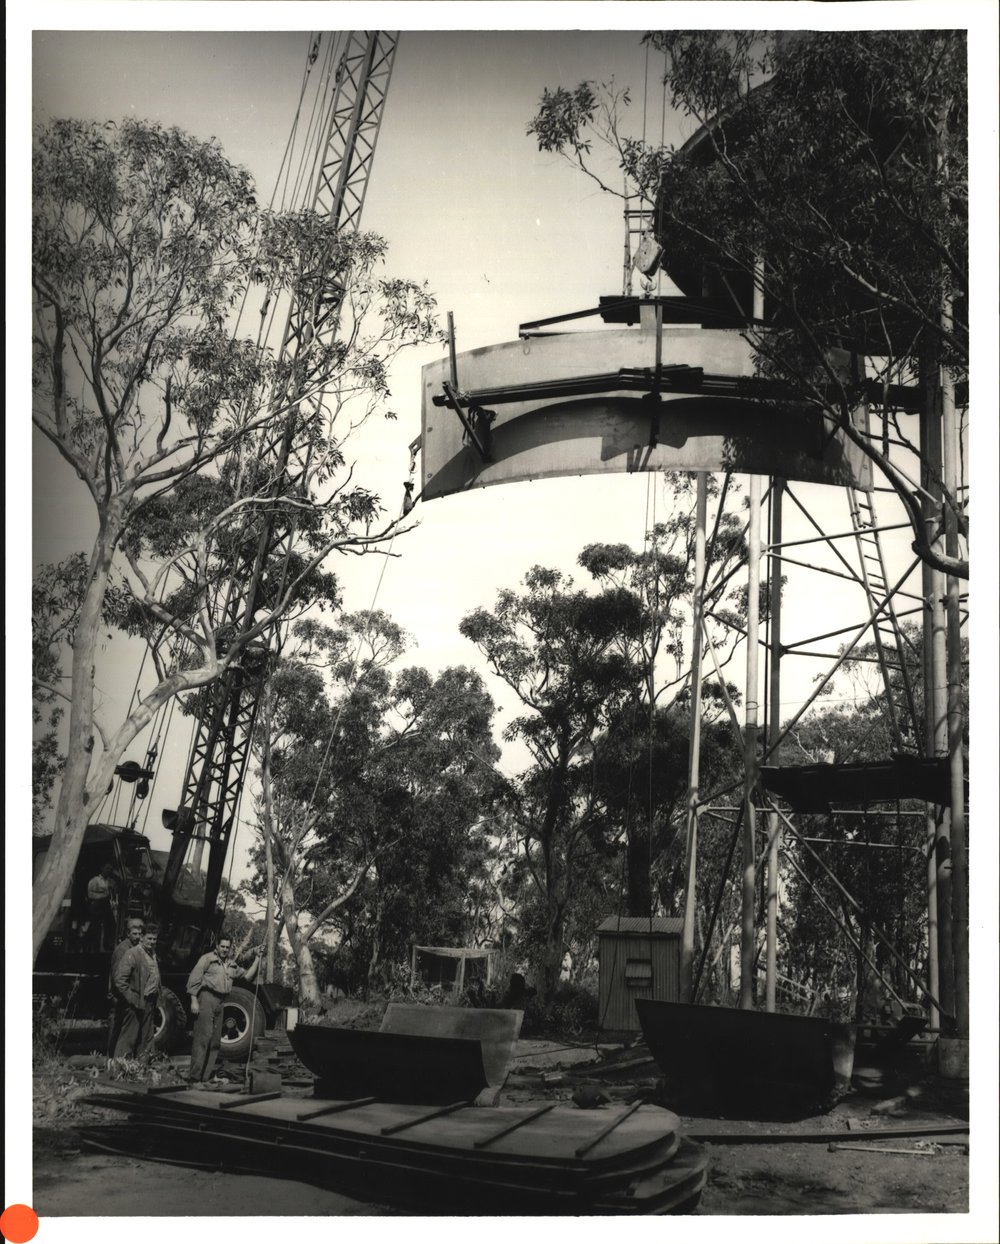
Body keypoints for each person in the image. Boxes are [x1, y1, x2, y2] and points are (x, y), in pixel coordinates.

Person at [186, 936, 254, 1085]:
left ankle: (205, 1077)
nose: (224, 949)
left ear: (230, 949)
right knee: (203, 1038)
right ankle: (194, 1077)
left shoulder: (231, 965)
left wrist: (258, 960)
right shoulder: (207, 959)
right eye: (222, 946)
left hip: (221, 1002)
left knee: (215, 1041)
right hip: (206, 998)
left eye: (227, 947)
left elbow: (248, 976)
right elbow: (194, 979)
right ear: (217, 946)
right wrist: (193, 1001)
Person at [112, 925, 161, 1059]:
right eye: (149, 938)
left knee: (146, 1037)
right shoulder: (133, 954)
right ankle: (120, 1067)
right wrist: (132, 997)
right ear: (142, 938)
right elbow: (120, 980)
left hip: (149, 1001)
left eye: (154, 939)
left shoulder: (152, 953)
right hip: (136, 1002)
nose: (152, 942)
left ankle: (141, 1067)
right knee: (129, 1036)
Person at [107, 917, 145, 1055]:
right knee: (117, 1032)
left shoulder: (136, 949)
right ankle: (113, 1061)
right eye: (134, 934)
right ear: (128, 933)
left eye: (140, 934)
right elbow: (118, 978)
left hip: (127, 997)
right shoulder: (122, 949)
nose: (137, 937)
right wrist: (130, 997)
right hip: (121, 997)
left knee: (126, 1032)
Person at [82, 864, 118, 952]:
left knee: (110, 926)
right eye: (107, 868)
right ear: (102, 868)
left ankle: (107, 947)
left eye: (110, 868)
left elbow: (114, 895)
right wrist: (103, 895)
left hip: (108, 908)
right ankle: (91, 947)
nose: (109, 870)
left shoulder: (112, 882)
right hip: (97, 908)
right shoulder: (94, 881)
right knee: (95, 928)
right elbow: (90, 894)